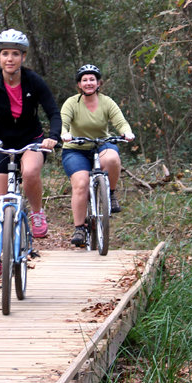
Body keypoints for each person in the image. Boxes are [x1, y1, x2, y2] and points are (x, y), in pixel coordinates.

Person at [0, 29, 61, 292]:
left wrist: (53, 137)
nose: (10, 58)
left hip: (32, 139)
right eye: (5, 53)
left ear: (23, 57)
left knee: (29, 172)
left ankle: (37, 213)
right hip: (1, 142)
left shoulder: (33, 81)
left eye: (15, 54)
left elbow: (53, 111)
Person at [60, 64, 135, 247]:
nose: (88, 83)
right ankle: (80, 227)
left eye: (92, 79)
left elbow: (121, 122)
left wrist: (127, 132)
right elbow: (63, 122)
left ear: (98, 82)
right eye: (84, 80)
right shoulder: (72, 103)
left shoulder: (107, 102)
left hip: (102, 144)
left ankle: (110, 193)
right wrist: (64, 133)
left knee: (111, 158)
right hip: (75, 148)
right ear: (79, 84)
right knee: (81, 184)